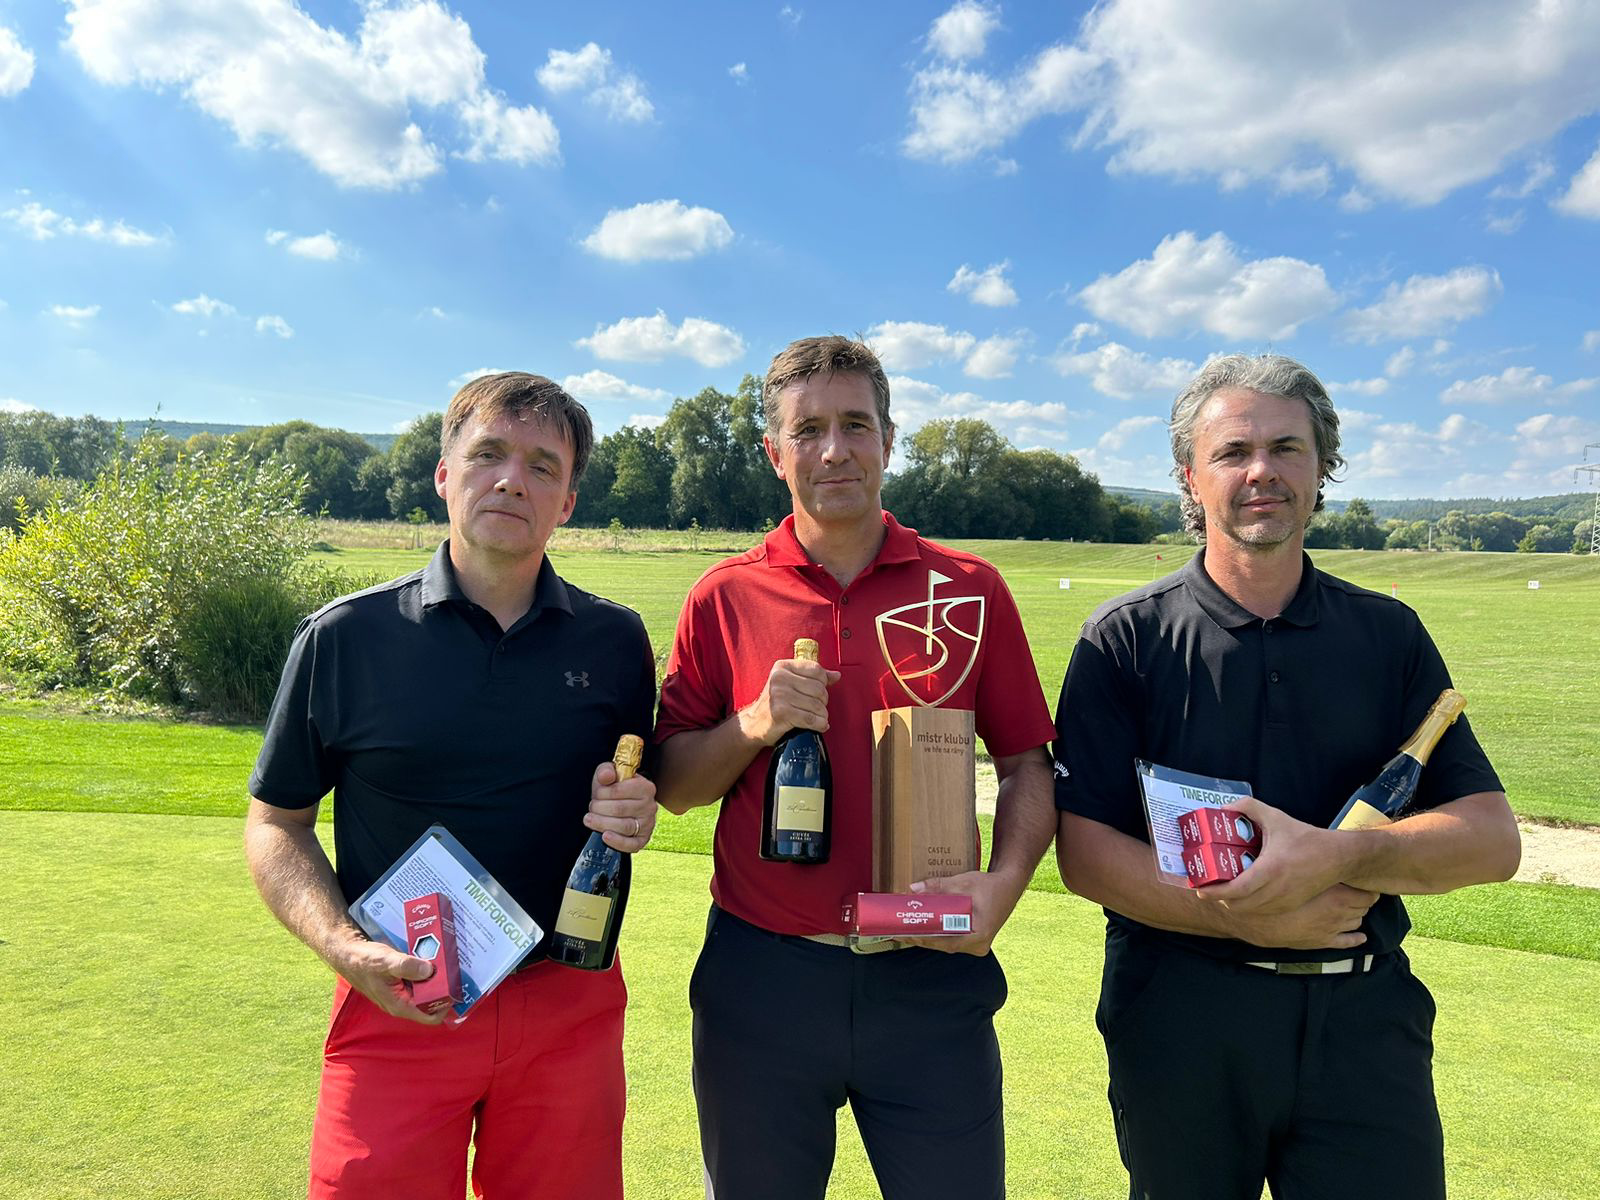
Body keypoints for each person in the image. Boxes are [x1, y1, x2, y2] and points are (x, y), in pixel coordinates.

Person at [1053, 354, 1521, 1200]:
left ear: (1322, 466)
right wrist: (1250, 918)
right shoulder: (1124, 639)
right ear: (1190, 477)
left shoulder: (1388, 634)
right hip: (1180, 1020)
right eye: (1232, 452)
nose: (1260, 471)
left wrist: (1336, 857)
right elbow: (1084, 853)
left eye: (1286, 448)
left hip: (1363, 1025)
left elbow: (1491, 840)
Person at [653, 335, 1057, 1200]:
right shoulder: (724, 595)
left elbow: (1028, 764)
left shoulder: (970, 587)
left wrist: (1005, 885)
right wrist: (753, 724)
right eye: (808, 431)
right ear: (775, 453)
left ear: (888, 440)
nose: (834, 450)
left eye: (855, 425)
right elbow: (678, 789)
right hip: (763, 977)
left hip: (930, 974)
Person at [244, 373, 659, 1200]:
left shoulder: (616, 641)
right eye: (488, 455)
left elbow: (634, 789)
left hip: (567, 1003)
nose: (512, 480)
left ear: (569, 501)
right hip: (401, 993)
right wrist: (343, 946)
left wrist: (635, 811)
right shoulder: (344, 636)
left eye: (543, 466)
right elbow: (277, 823)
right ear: (444, 474)